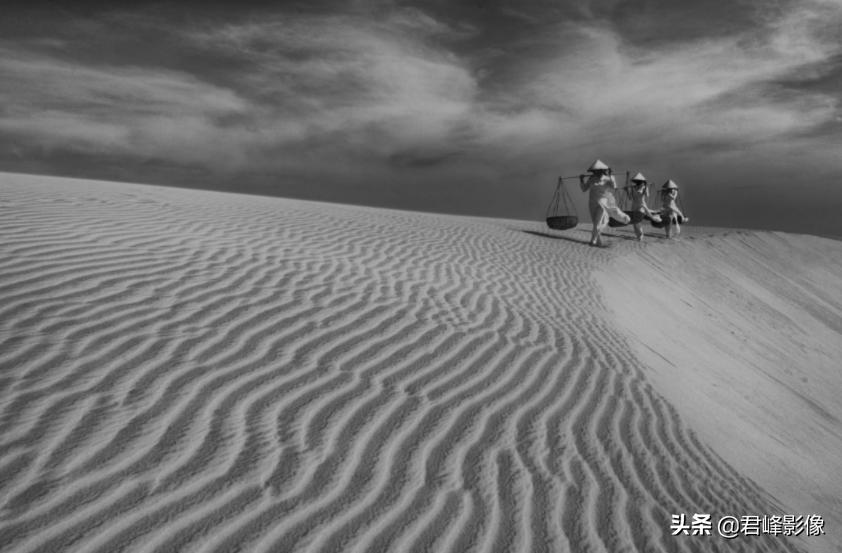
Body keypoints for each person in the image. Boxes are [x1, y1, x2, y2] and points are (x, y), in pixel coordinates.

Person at [579, 159, 630, 247]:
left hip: (603, 202)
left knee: (599, 221)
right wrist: (581, 180)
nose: (596, 172)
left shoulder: (607, 178)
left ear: (601, 170)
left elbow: (614, 187)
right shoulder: (591, 179)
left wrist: (611, 176)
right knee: (596, 222)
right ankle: (599, 242)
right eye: (594, 171)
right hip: (592, 203)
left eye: (597, 171)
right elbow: (584, 189)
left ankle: (593, 240)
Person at [627, 172, 661, 241]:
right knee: (635, 223)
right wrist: (627, 190)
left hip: (641, 206)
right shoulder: (633, 188)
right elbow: (630, 198)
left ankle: (640, 236)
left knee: (637, 222)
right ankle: (639, 236)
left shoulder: (642, 187)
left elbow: (645, 194)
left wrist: (644, 188)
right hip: (634, 207)